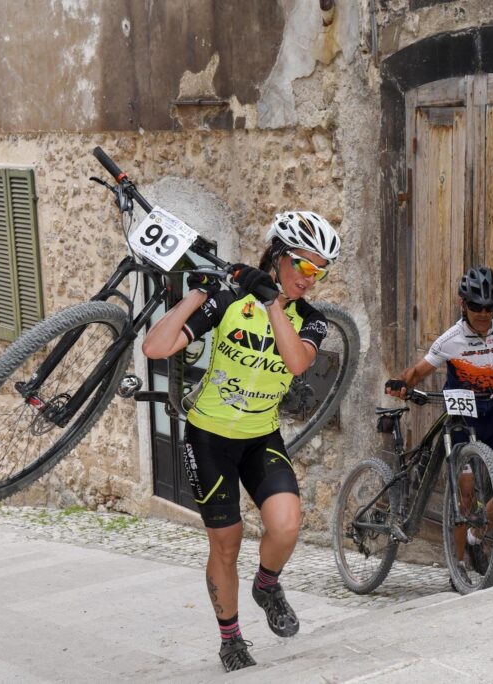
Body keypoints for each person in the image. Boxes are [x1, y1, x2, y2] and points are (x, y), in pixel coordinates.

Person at [142, 211, 340, 672]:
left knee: (287, 525)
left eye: (321, 270)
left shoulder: (311, 319)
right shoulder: (229, 302)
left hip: (259, 436)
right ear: (277, 256)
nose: (312, 279)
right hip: (208, 436)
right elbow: (155, 348)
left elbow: (295, 363)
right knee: (226, 543)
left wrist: (273, 302)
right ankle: (230, 638)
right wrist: (199, 293)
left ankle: (267, 583)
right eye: (305, 266)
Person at [385, 265, 493, 582]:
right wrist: (400, 384)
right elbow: (417, 372)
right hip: (461, 421)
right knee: (464, 495)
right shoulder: (450, 340)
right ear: (461, 304)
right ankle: (458, 568)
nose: (482, 313)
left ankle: (475, 537)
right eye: (475, 306)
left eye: (489, 306)